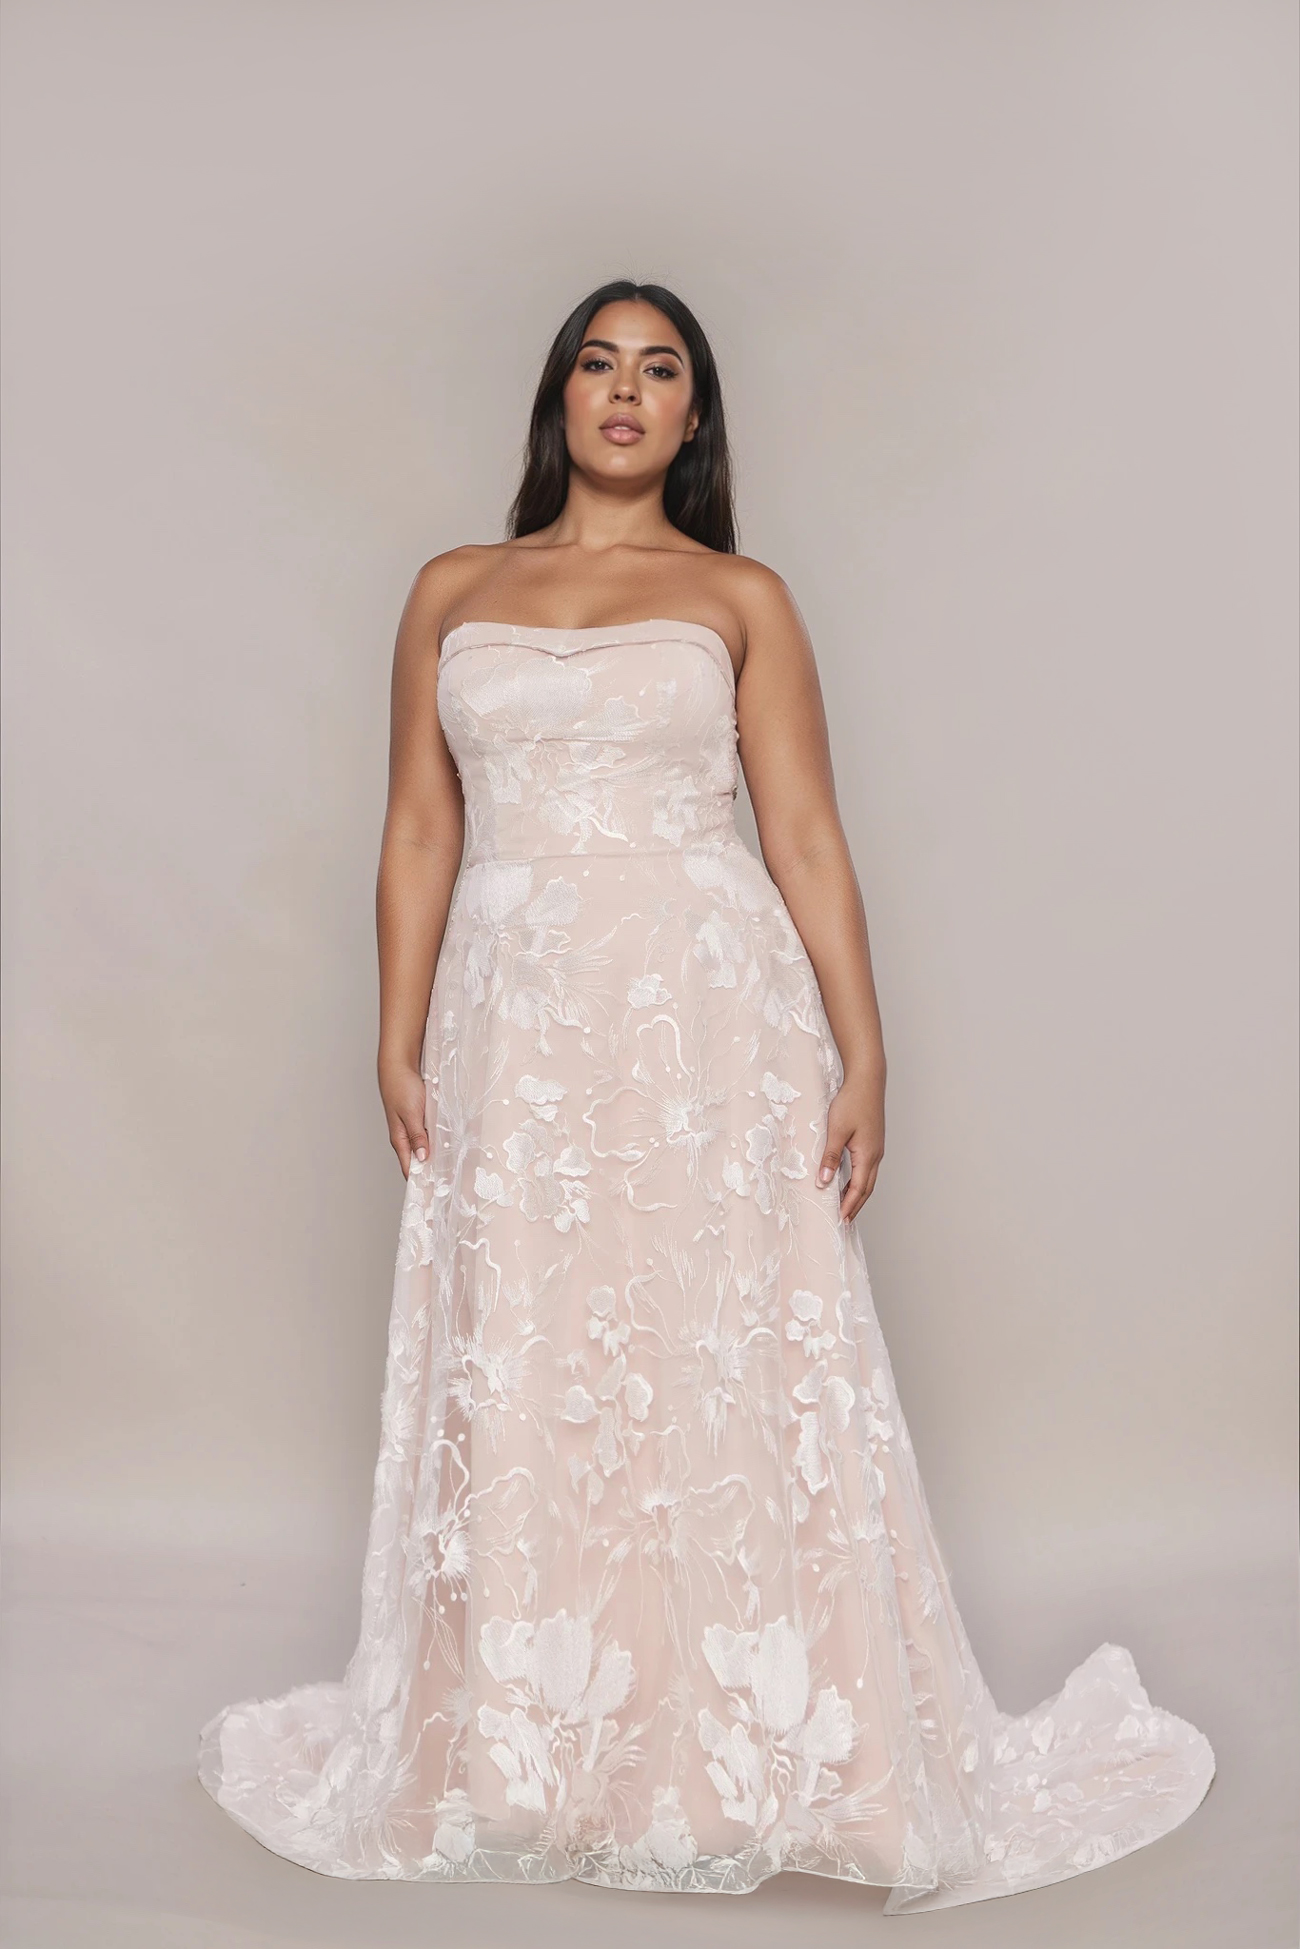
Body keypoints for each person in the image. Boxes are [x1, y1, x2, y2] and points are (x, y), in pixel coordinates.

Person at [199, 279, 1214, 1911]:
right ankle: (534, 1753)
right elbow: (418, 825)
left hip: (703, 1017)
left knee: (713, 1347)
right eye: (599, 362)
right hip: (516, 1027)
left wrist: (866, 1048)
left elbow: (802, 831)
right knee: (534, 1348)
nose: (625, 388)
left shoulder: (741, 596)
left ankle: (746, 1756)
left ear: (692, 416)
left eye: (659, 368)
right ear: (560, 397)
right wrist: (394, 1031)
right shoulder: (452, 587)